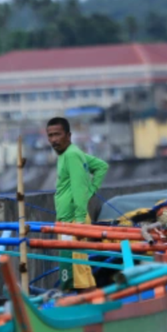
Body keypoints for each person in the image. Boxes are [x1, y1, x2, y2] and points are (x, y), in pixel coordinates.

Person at [47, 117, 109, 291]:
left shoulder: (72, 154)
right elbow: (101, 166)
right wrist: (92, 190)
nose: (54, 139)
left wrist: (80, 221)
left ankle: (85, 305)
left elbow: (78, 189)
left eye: (57, 134)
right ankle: (94, 303)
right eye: (50, 135)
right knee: (81, 272)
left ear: (68, 135)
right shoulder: (68, 154)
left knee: (74, 276)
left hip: (73, 221)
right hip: (68, 221)